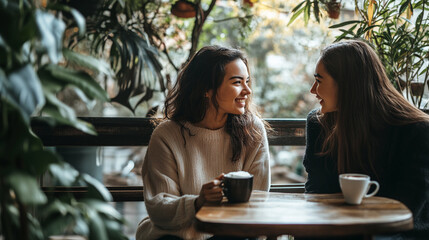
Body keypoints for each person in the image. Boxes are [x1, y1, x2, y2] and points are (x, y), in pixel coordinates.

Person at [136, 45, 271, 240]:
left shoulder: (252, 131)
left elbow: (258, 199)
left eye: (247, 82)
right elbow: (159, 208)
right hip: (174, 235)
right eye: (237, 82)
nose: (247, 90)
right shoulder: (167, 135)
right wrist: (197, 203)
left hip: (229, 234)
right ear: (206, 89)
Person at [303, 39, 429, 239]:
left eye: (319, 80)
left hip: (400, 232)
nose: (312, 90)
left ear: (347, 85)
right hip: (338, 227)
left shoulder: (415, 129)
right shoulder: (319, 123)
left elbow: (407, 207)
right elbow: (317, 191)